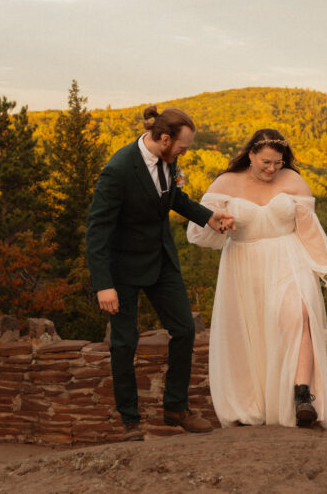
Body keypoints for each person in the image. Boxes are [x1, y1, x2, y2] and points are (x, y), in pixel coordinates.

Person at [86, 106, 235, 441]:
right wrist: (103, 284)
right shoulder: (118, 169)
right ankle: (130, 422)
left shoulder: (168, 159)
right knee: (124, 344)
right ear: (164, 138)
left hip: (161, 261)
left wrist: (208, 217)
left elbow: (171, 197)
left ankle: (175, 407)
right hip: (121, 269)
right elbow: (97, 230)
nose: (186, 151)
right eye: (183, 145)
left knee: (184, 329)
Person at [188, 129, 327, 430]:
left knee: (299, 315)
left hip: (289, 257)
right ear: (250, 155)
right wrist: (219, 223)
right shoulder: (226, 183)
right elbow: (198, 232)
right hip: (242, 264)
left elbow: (310, 232)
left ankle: (302, 396)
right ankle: (253, 404)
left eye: (278, 162)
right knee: (250, 332)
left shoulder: (294, 181)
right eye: (266, 162)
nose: (273, 169)